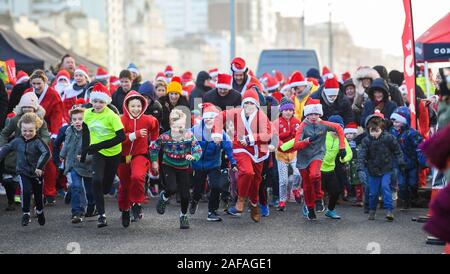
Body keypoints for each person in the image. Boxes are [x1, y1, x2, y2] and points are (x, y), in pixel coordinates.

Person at [213, 88, 272, 223]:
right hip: (240, 148)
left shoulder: (261, 117)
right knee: (247, 172)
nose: (248, 106)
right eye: (246, 103)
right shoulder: (237, 112)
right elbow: (220, 116)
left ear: (256, 105)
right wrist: (217, 133)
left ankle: (254, 203)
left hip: (258, 150)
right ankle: (240, 199)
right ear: (242, 104)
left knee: (256, 181)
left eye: (251, 103)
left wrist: (251, 138)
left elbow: (267, 135)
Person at [286, 98, 346, 221]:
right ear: (306, 114)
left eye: (316, 114)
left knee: (315, 175)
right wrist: (308, 140)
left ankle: (319, 198)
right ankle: (310, 208)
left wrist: (342, 147)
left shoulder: (324, 124)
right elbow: (296, 144)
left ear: (320, 114)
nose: (313, 117)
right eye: (311, 114)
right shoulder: (302, 126)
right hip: (303, 158)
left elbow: (339, 129)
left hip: (317, 154)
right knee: (307, 186)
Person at [81, 82, 125, 228]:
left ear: (106, 102)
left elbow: (121, 137)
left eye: (101, 102)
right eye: (95, 101)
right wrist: (84, 152)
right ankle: (101, 215)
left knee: (105, 188)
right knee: (96, 181)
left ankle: (109, 186)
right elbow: (86, 132)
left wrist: (98, 146)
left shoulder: (112, 116)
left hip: (113, 152)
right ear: (91, 101)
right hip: (98, 153)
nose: (97, 104)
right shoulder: (86, 114)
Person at [151, 109, 202, 229]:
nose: (177, 130)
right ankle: (164, 196)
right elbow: (154, 147)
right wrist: (154, 161)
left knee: (185, 196)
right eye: (174, 127)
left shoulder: (189, 136)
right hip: (168, 164)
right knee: (172, 188)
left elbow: (198, 149)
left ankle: (183, 215)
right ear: (170, 125)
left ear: (185, 126)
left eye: (181, 127)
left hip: (183, 166)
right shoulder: (164, 137)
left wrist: (193, 156)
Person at [0, 93, 50, 211]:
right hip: (17, 152)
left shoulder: (41, 121)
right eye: (25, 106)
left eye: (30, 107)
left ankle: (34, 201)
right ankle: (11, 200)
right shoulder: (15, 119)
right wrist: (3, 146)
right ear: (21, 107)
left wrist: (40, 146)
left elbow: (45, 136)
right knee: (8, 179)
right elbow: (4, 133)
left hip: (34, 154)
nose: (27, 109)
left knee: (33, 179)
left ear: (35, 107)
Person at [118, 91, 159, 227]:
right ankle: (125, 209)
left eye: (138, 106)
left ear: (143, 106)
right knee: (124, 185)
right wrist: (134, 135)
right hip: (122, 156)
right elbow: (118, 138)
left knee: (137, 176)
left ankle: (136, 202)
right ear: (126, 106)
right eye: (133, 106)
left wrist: (153, 141)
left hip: (140, 154)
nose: (136, 109)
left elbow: (155, 127)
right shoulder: (121, 119)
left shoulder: (148, 119)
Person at [190, 103, 237, 222]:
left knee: (216, 186)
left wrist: (234, 163)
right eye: (207, 117)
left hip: (214, 164)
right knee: (198, 189)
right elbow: (185, 141)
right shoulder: (195, 130)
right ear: (203, 118)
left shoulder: (221, 133)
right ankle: (194, 200)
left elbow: (228, 148)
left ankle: (212, 211)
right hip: (198, 164)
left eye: (212, 118)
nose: (209, 120)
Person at [357, 111, 406, 222]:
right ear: (368, 130)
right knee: (373, 192)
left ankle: (389, 210)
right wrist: (360, 169)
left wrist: (401, 162)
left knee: (385, 187)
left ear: (382, 129)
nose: (374, 134)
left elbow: (398, 151)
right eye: (372, 131)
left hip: (387, 168)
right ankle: (372, 210)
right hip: (372, 170)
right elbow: (361, 155)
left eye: (377, 131)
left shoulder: (389, 138)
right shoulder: (366, 141)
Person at [25, 70, 64, 205]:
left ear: (45, 82)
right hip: (29, 130)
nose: (36, 86)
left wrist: (55, 134)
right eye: (34, 83)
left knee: (49, 161)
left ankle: (49, 192)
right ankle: (27, 191)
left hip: (47, 130)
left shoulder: (53, 94)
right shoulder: (28, 94)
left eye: (39, 83)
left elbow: (57, 115)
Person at [60, 106, 95, 224]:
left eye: (80, 119)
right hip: (73, 163)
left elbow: (95, 148)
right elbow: (67, 144)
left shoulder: (90, 131)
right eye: (74, 119)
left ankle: (92, 206)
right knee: (77, 186)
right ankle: (77, 212)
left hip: (87, 165)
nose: (77, 122)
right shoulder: (69, 130)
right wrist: (62, 154)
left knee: (90, 191)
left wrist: (86, 157)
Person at [390, 106, 424, 209]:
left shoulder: (412, 133)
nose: (395, 124)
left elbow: (420, 146)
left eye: (397, 122)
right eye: (394, 122)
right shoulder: (391, 132)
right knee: (401, 184)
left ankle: (414, 197)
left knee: (413, 182)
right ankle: (404, 202)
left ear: (404, 121)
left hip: (412, 162)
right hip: (399, 163)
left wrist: (422, 160)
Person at [320, 115, 353, 219]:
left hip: (330, 169)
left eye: (339, 127)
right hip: (318, 168)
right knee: (317, 192)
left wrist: (343, 159)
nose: (336, 130)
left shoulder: (342, 138)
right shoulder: (322, 135)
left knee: (336, 191)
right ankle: (308, 207)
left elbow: (349, 153)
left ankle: (330, 210)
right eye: (333, 127)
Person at [272, 97, 302, 211]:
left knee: (298, 173)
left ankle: (295, 189)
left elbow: (300, 135)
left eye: (290, 110)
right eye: (286, 110)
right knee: (283, 180)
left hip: (294, 152)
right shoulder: (276, 122)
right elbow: (274, 136)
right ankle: (282, 201)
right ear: (281, 111)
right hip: (281, 154)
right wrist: (279, 143)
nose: (288, 112)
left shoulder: (297, 122)